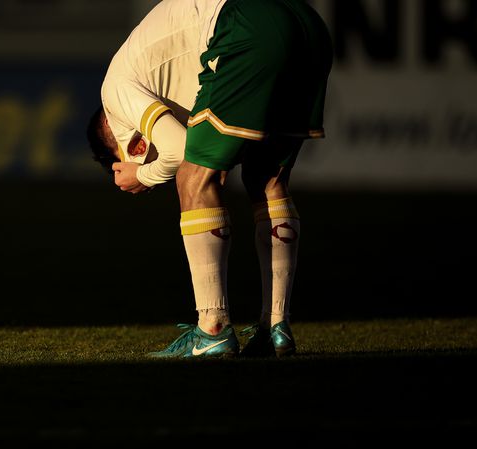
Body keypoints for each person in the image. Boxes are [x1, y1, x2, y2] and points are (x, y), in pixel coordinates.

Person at [87, 0, 333, 358]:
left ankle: (212, 328)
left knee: (194, 176)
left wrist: (142, 173)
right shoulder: (149, 72)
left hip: (246, 24)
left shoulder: (113, 93)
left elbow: (177, 150)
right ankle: (275, 327)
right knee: (268, 180)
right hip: (307, 22)